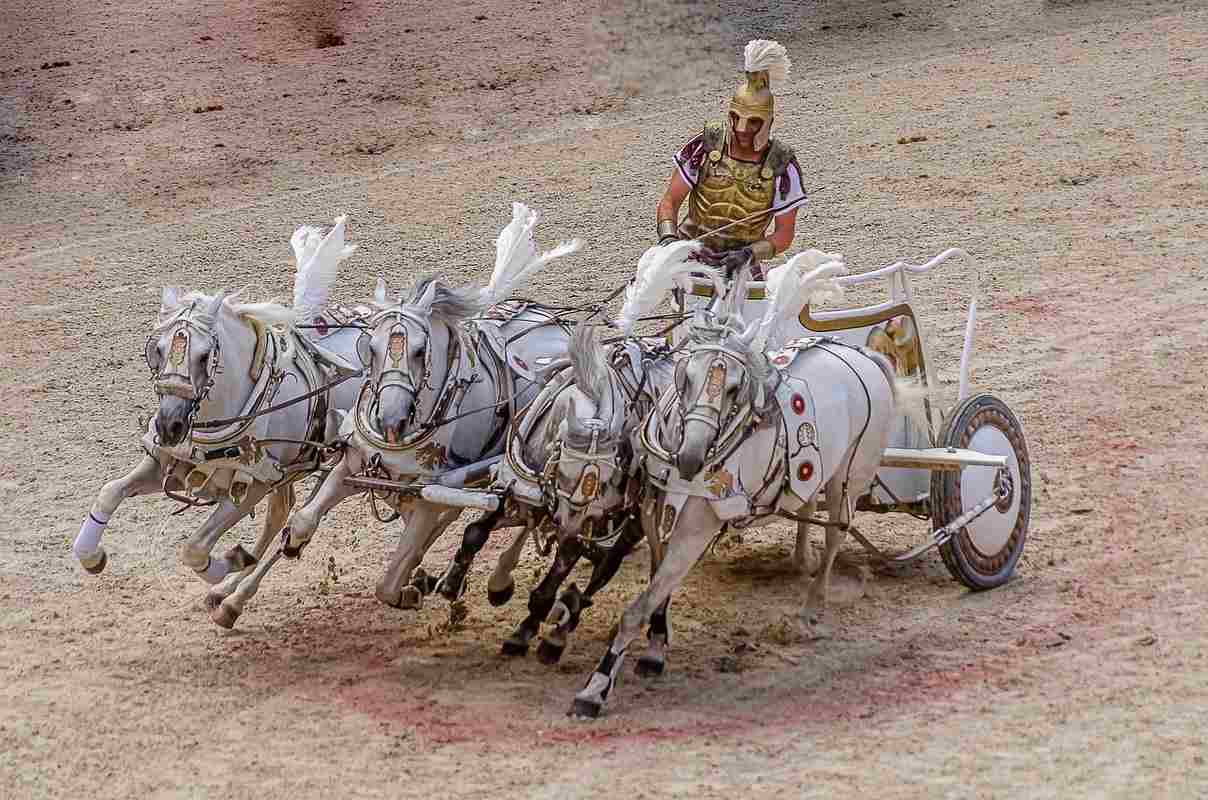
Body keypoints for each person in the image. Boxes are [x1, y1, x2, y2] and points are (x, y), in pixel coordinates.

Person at [655, 39, 807, 279]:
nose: (742, 129)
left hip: (740, 265)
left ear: (768, 121)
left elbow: (784, 234)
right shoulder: (705, 146)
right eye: (736, 118)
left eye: (753, 121)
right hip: (691, 260)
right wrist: (668, 239)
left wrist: (750, 254)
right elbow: (669, 202)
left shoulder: (781, 165)